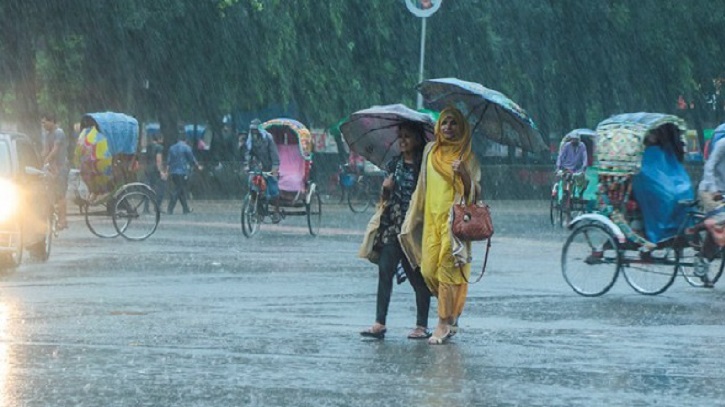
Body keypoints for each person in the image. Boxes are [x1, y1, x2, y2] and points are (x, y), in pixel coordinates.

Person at [399, 106, 481, 345]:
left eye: (454, 123)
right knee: (427, 270)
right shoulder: (429, 151)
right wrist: (413, 216)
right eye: (444, 123)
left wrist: (464, 173)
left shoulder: (468, 157)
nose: (448, 128)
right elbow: (422, 185)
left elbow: (474, 194)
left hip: (453, 223)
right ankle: (451, 309)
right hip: (430, 222)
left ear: (462, 127)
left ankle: (443, 322)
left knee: (447, 268)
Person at [358, 121, 431, 340]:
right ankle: (379, 323)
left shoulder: (425, 167)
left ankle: (422, 324)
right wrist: (385, 190)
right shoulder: (394, 165)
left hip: (414, 229)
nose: (403, 140)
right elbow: (384, 200)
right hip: (392, 226)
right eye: (400, 136)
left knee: (417, 276)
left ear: (417, 139)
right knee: (385, 270)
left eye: (407, 136)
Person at [244, 119, 281, 222]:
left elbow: (275, 156)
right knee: (252, 184)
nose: (254, 132)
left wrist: (274, 169)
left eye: (256, 130)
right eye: (252, 130)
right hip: (257, 166)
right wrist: (247, 165)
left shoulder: (268, 138)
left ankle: (276, 212)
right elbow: (248, 153)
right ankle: (253, 206)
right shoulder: (250, 140)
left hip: (269, 166)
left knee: (273, 189)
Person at [41, 113, 70, 230]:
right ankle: (55, 217)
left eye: (45, 122)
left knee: (60, 195)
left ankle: (63, 220)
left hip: (61, 167)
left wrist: (46, 160)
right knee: (51, 193)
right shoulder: (47, 135)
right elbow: (46, 149)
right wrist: (41, 159)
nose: (43, 125)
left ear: (52, 121)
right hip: (52, 168)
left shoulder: (59, 133)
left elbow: (55, 149)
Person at [166, 133, 202, 215]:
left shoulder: (172, 148)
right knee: (178, 190)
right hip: (182, 171)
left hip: (173, 172)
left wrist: (167, 171)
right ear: (186, 140)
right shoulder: (186, 148)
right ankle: (170, 208)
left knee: (180, 190)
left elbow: (169, 161)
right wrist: (198, 166)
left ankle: (185, 208)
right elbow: (192, 159)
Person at [144, 132, 167, 212]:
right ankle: (157, 206)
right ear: (159, 138)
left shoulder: (148, 147)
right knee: (161, 187)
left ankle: (146, 208)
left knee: (148, 188)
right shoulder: (159, 147)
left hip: (148, 168)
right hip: (155, 169)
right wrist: (161, 171)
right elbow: (158, 160)